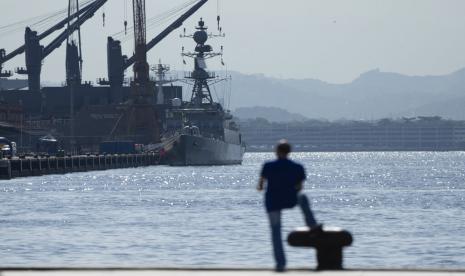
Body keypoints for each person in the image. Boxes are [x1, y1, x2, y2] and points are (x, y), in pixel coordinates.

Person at [257, 140, 321, 272]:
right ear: (289, 152)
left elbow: (260, 186)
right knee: (302, 198)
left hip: (272, 202)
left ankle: (280, 264)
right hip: (290, 199)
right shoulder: (298, 167)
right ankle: (312, 224)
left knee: (276, 232)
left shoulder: (268, 166)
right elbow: (299, 187)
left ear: (276, 151)